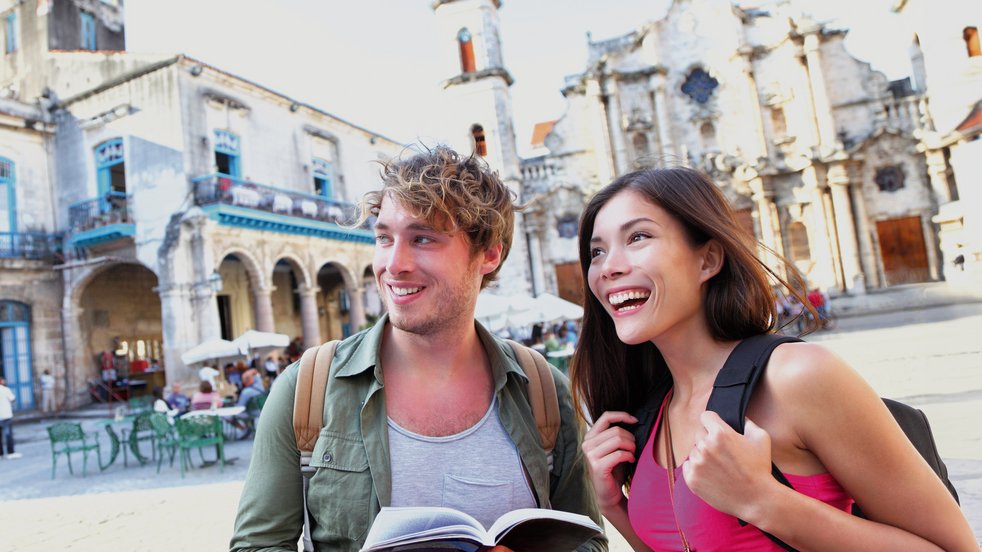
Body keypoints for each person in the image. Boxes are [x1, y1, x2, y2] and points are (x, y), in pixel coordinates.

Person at [573, 167, 976, 551]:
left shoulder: (796, 376)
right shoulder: (650, 412)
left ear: (708, 260)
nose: (609, 267)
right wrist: (614, 506)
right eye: (597, 251)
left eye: (638, 237)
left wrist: (762, 500)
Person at [231, 146, 606, 552]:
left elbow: (587, 542)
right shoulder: (306, 389)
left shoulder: (543, 391)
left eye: (423, 238)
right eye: (383, 238)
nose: (394, 264)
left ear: (489, 253)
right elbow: (258, 545)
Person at [0, 376, 21, 459]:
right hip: (6, 415)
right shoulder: (5, 390)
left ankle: (0, 453)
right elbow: (13, 399)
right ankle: (10, 452)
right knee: (8, 434)